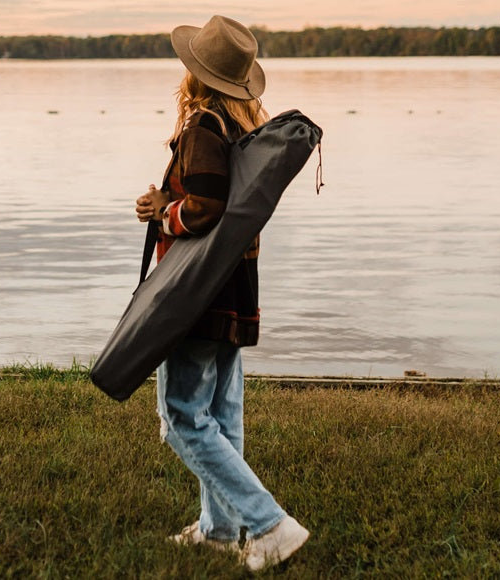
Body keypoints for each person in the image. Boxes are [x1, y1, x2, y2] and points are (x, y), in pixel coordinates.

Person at [134, 15, 310, 572]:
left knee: (182, 416)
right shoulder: (243, 128)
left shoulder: (201, 128)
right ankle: (218, 530)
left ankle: (271, 525)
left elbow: (205, 209)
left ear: (195, 72)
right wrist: (168, 200)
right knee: (221, 412)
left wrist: (164, 213)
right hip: (234, 285)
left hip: (200, 292)